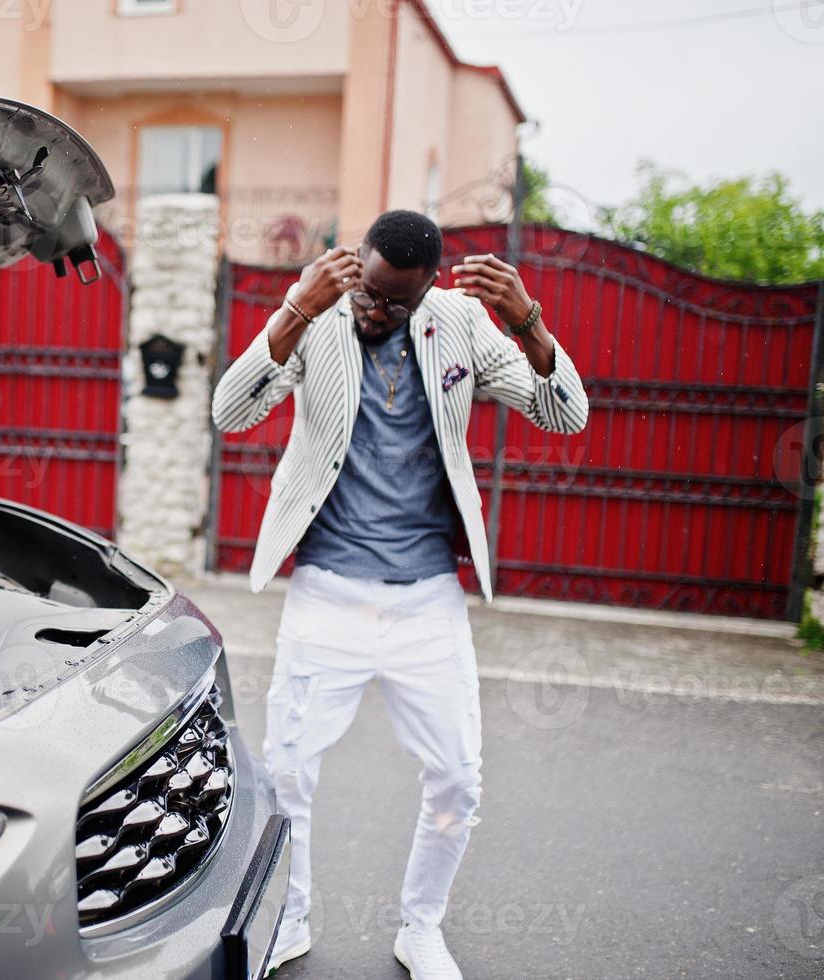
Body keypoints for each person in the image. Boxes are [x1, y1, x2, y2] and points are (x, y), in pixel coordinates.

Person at [210, 210, 588, 979]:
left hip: (425, 601)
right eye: (370, 294)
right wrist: (295, 309)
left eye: (395, 303)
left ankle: (420, 928)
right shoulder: (318, 312)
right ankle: (290, 919)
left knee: (456, 777)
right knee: (287, 773)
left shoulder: (458, 321)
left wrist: (529, 322)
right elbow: (231, 412)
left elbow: (563, 413)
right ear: (357, 267)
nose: (374, 312)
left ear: (424, 290)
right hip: (325, 593)